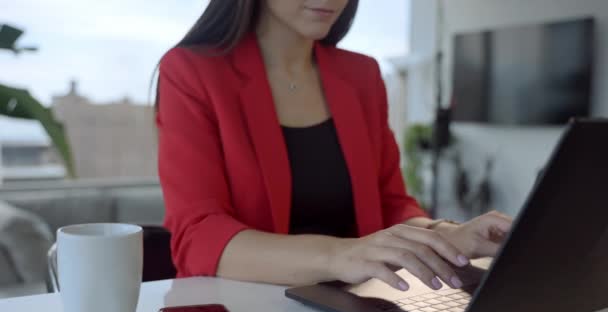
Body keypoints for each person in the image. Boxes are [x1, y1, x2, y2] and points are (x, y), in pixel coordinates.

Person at [156, 0, 512, 292]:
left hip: (355, 307)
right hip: (238, 308)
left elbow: (390, 206)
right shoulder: (192, 71)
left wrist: (448, 235)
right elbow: (198, 235)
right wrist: (340, 255)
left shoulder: (362, 76)